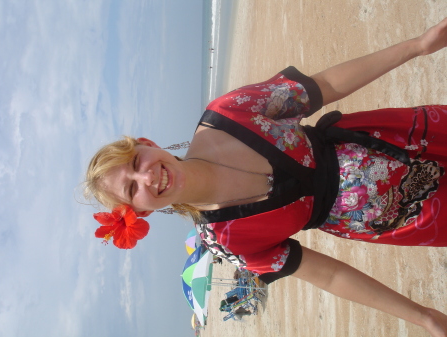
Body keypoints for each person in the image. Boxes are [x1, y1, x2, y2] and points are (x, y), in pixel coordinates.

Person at [85, 19, 447, 336]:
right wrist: (423, 317)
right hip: (406, 218)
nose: (147, 176)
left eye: (136, 160)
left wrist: (417, 46)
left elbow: (323, 87)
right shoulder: (226, 241)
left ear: (148, 144)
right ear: (140, 211)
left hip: (399, 138)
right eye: (132, 188)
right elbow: (329, 275)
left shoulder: (226, 114)